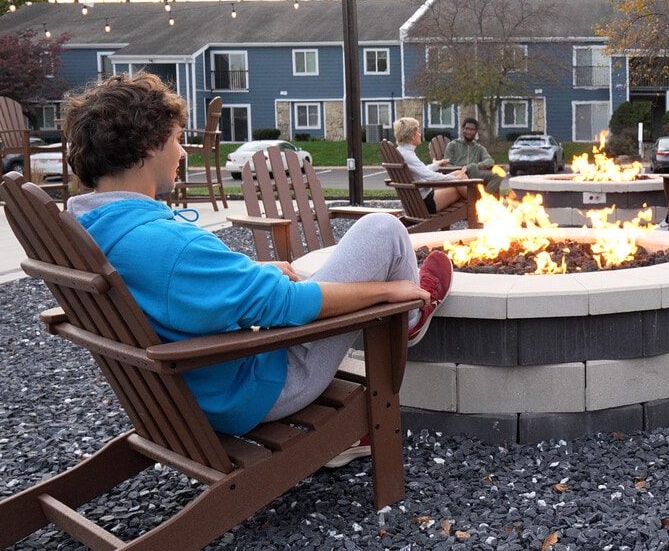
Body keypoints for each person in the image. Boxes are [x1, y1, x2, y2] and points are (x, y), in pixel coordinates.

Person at [62, 72, 454, 469]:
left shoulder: (87, 231)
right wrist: (387, 293)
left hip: (183, 394)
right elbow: (287, 304)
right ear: (149, 144)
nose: (182, 153)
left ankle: (402, 315)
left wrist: (249, 271)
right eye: (178, 139)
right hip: (255, 388)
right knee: (383, 229)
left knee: (304, 271)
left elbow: (172, 288)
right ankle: (409, 315)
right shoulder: (169, 245)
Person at [393, 116, 472, 212]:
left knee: (459, 173)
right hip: (426, 203)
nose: (420, 134)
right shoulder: (408, 155)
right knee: (460, 184)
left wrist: (436, 165)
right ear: (412, 136)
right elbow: (429, 176)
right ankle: (479, 207)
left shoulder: (401, 151)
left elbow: (420, 171)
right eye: (418, 132)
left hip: (417, 199)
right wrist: (455, 179)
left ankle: (479, 205)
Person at [445, 117, 503, 196]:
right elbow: (446, 165)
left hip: (474, 173)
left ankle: (484, 198)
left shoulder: (478, 148)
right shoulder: (453, 145)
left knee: (498, 175)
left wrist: (477, 166)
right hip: (459, 175)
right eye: (467, 128)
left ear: (476, 131)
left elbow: (490, 161)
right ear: (463, 129)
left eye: (472, 129)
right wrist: (461, 169)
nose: (469, 132)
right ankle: (481, 199)